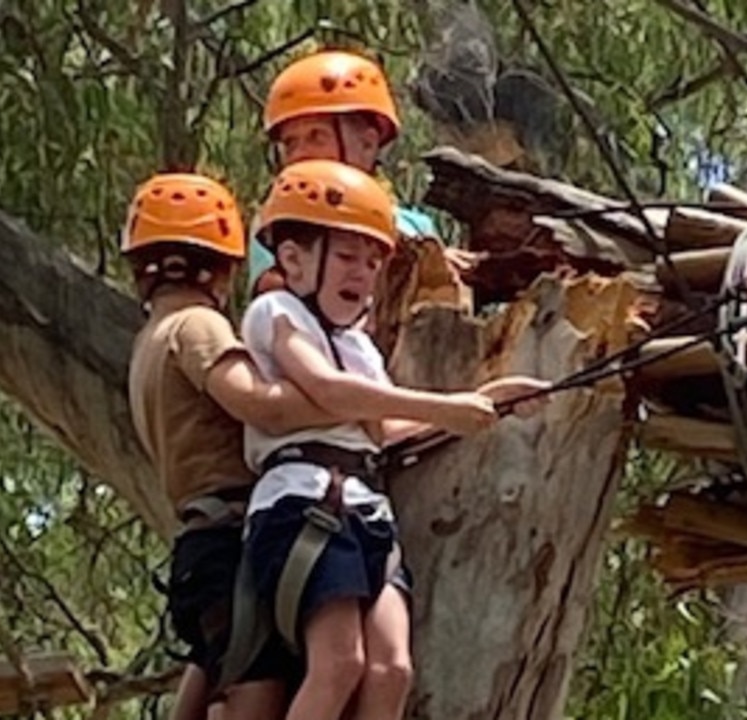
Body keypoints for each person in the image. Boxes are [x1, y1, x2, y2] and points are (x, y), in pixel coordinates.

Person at [240, 159, 546, 720]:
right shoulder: (275, 312)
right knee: (339, 664)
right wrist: (446, 407)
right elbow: (329, 391)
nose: (363, 273)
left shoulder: (360, 347)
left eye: (373, 261)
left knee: (392, 669)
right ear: (294, 259)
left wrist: (493, 397)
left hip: (365, 511)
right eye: (349, 257)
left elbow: (380, 432)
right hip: (305, 501)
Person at [122, 172, 351, 720]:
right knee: (257, 690)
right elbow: (260, 404)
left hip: (203, 543)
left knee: (222, 666)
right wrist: (356, 405)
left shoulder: (147, 343)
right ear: (218, 268)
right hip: (228, 537)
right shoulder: (196, 325)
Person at [247, 48, 477, 296]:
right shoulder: (278, 221)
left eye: (316, 137)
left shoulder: (415, 228)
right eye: (291, 143)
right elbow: (275, 293)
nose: (301, 153)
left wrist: (439, 273)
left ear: (367, 145)